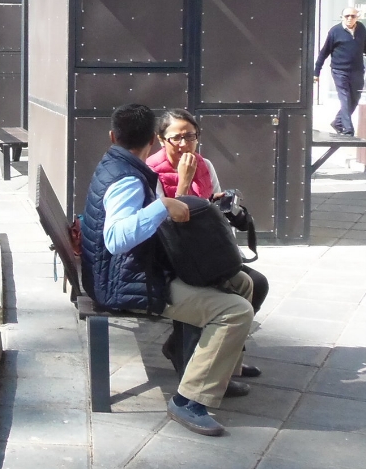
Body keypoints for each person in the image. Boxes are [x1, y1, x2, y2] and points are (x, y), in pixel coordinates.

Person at [79, 103, 255, 437]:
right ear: (154, 140)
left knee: (241, 282)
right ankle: (188, 401)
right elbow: (116, 239)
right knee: (235, 311)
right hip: (126, 282)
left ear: (112, 136)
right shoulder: (128, 179)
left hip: (130, 271)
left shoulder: (115, 164)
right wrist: (162, 206)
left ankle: (218, 375)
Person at [147, 108, 268, 378]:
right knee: (215, 290)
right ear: (160, 139)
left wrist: (222, 204)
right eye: (176, 138)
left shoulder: (205, 164)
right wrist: (184, 183)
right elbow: (165, 225)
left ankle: (222, 357)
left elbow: (210, 211)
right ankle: (194, 362)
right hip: (172, 256)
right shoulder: (150, 172)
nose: (184, 144)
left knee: (257, 284)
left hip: (202, 250)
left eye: (190, 136)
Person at [314, 7, 366, 136]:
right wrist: (316, 72)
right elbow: (324, 52)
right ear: (342, 17)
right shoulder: (335, 31)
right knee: (345, 98)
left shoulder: (361, 29)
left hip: (357, 71)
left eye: (353, 16)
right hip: (339, 71)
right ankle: (348, 129)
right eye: (347, 16)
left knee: (354, 99)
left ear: (357, 17)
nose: (350, 18)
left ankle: (338, 122)